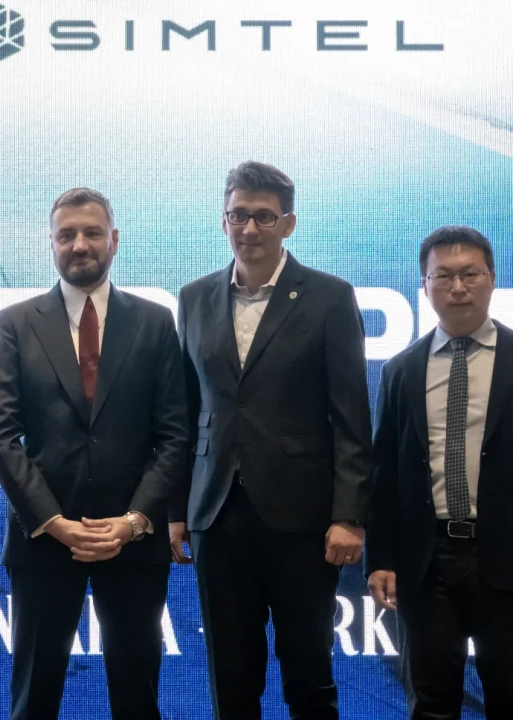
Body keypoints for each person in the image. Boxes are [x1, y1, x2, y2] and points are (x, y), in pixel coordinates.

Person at [171, 161, 373, 719]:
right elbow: (183, 414)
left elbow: (351, 418)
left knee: (308, 675)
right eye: (239, 215)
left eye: (264, 216)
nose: (249, 228)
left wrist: (350, 516)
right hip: (216, 515)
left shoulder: (330, 297)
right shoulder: (193, 298)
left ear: (288, 224)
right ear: (223, 221)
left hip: (303, 520)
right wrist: (175, 510)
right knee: (230, 680)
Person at [0, 189, 188, 720]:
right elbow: (1, 436)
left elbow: (174, 436)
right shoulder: (16, 322)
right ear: (51, 244)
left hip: (133, 541)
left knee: (138, 699)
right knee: (33, 699)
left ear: (114, 240)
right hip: (44, 541)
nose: (80, 244)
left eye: (92, 233)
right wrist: (53, 523)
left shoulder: (155, 322)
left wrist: (134, 521)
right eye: (67, 235)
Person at [365, 226, 512, 719]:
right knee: (431, 704)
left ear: (492, 279)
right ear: (425, 286)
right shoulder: (401, 369)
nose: (458, 287)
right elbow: (385, 471)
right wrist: (380, 558)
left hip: (505, 558)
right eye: (443, 276)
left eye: (470, 274)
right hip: (427, 565)